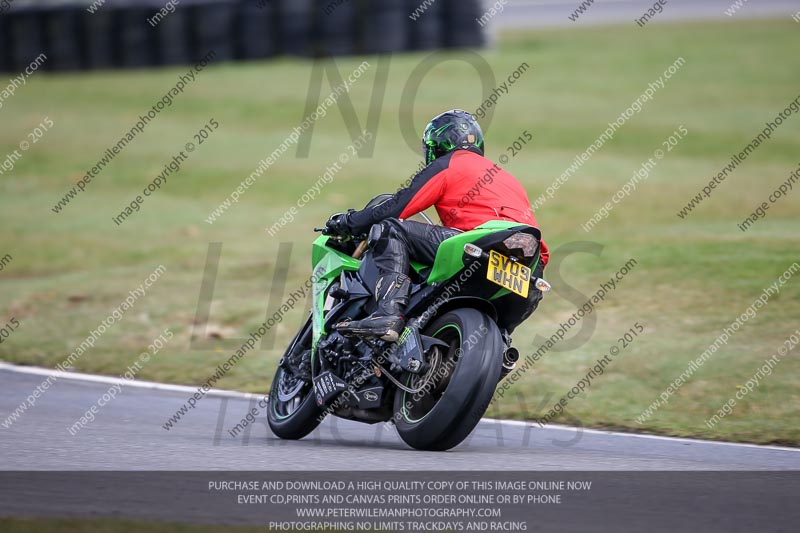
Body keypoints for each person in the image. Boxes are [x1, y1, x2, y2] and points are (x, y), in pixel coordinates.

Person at [326, 109, 549, 342]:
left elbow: (397, 207)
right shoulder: (506, 177)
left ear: (436, 145)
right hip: (531, 264)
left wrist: (348, 222)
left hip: (478, 242)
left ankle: (388, 314)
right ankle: (499, 348)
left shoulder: (450, 163)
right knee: (497, 341)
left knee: (390, 229)